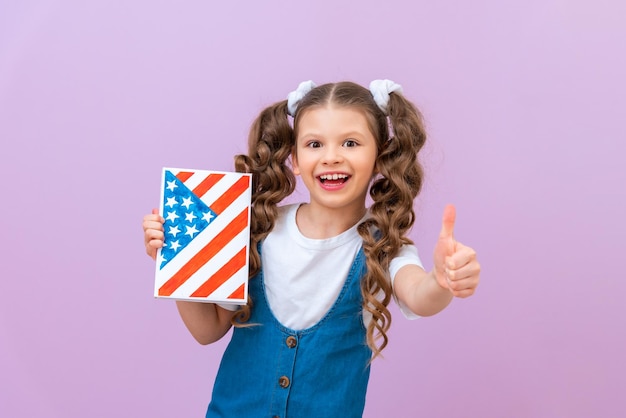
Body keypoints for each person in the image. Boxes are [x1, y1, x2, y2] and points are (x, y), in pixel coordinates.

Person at [142, 80, 481, 418]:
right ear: (295, 159)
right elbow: (207, 330)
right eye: (315, 144)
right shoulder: (256, 228)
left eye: (350, 143)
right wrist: (176, 263)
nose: (331, 157)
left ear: (381, 156)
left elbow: (418, 294)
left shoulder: (384, 246)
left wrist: (441, 279)